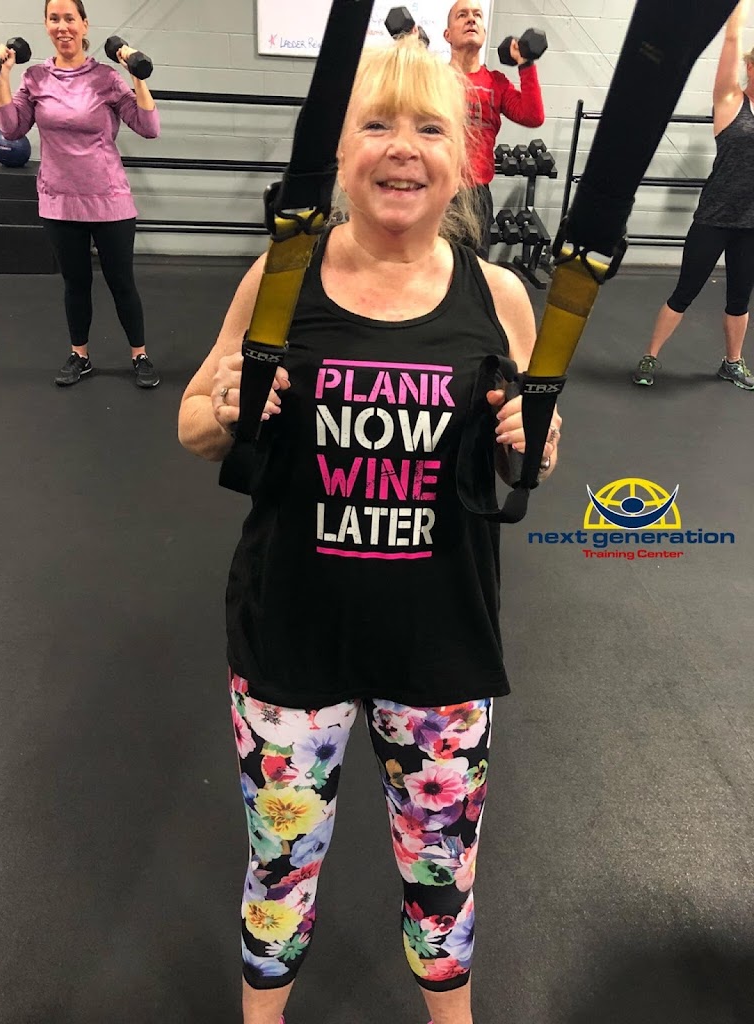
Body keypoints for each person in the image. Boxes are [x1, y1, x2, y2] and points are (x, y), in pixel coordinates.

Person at [179, 36, 561, 1024]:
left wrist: (536, 438)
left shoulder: (499, 297)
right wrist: (225, 405)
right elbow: (192, 424)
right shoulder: (280, 275)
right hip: (289, 639)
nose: (402, 146)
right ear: (341, 152)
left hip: (442, 649)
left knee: (443, 876)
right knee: (280, 865)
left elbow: (531, 455)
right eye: (376, 124)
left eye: (429, 127)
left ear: (460, 159)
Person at [0, 0, 161, 388]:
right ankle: (80, 355)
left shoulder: (106, 78)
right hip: (59, 200)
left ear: (84, 25)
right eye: (54, 19)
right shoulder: (35, 78)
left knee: (122, 283)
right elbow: (12, 129)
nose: (62, 26)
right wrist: (2, 77)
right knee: (76, 284)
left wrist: (136, 75)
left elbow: (148, 127)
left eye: (70, 18)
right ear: (46, 25)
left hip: (109, 199)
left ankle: (140, 355)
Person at [633, 0, 754, 390]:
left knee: (740, 298)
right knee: (684, 292)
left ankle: (732, 362)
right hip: (714, 218)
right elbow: (732, 41)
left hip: (751, 226)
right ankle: (651, 356)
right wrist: (737, 10)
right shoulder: (731, 102)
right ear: (751, 68)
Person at [445, 2, 544, 259]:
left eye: (477, 15)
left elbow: (533, 116)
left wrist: (525, 63)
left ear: (484, 32)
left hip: (477, 193)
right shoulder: (433, 78)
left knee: (475, 269)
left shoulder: (495, 82)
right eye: (462, 15)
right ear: (447, 34)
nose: (471, 19)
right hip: (438, 187)